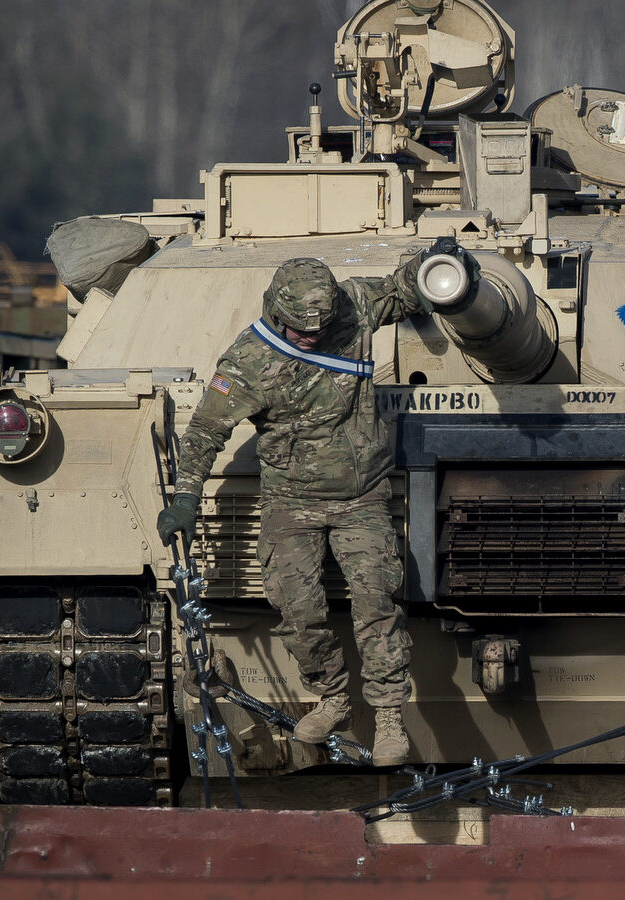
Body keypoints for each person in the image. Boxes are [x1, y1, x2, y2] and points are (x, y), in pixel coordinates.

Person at [157, 255, 431, 766]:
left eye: (319, 329)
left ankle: (390, 716)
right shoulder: (247, 361)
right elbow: (204, 433)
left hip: (361, 494)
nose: (309, 337)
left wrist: (431, 265)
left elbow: (404, 291)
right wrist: (187, 497)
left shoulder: (353, 308)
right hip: (291, 499)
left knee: (377, 598)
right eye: (298, 330)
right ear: (276, 311)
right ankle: (332, 696)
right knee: (295, 606)